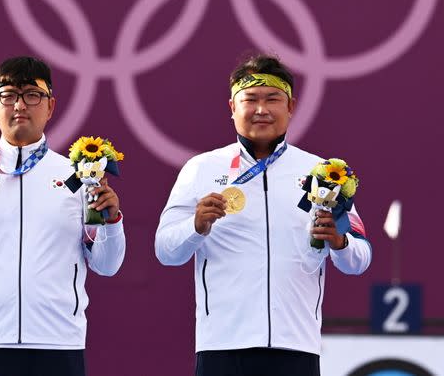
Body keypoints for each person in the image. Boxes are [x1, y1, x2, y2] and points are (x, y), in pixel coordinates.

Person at [155, 54, 371, 376]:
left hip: (297, 347)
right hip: (222, 347)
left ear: (291, 106)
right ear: (232, 107)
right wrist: (195, 226)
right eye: (250, 99)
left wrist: (339, 243)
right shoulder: (201, 169)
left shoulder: (324, 173)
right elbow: (165, 251)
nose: (261, 110)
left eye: (273, 99)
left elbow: (360, 258)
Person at [0, 56, 126, 376]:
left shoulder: (78, 176)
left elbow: (107, 264)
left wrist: (112, 222)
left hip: (58, 344)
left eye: (32, 94)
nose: (19, 105)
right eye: (8, 95)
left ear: (50, 106)